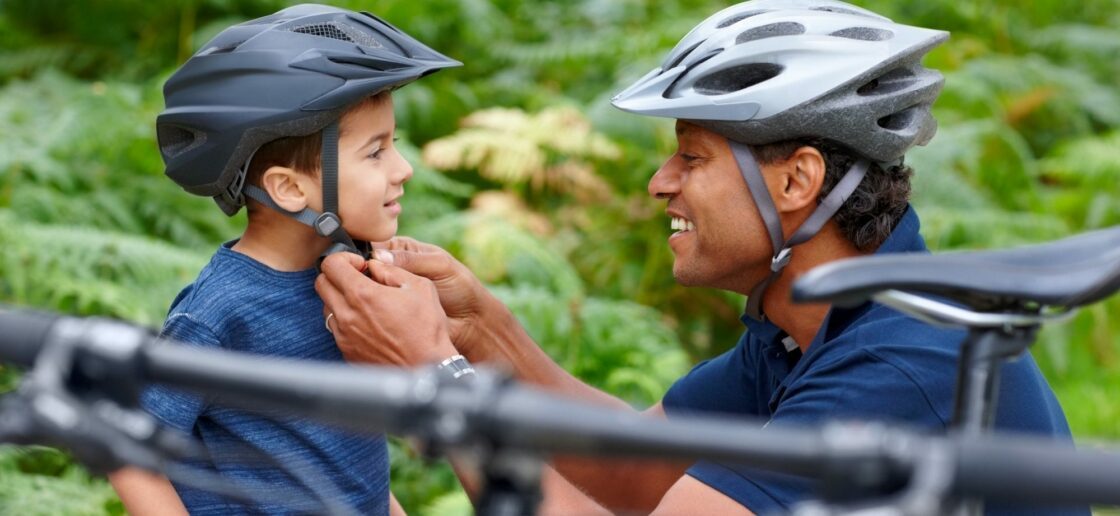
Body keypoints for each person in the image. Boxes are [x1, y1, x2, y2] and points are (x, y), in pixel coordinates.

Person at [317, 1, 1085, 514]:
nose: (661, 184)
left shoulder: (897, 365)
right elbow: (634, 471)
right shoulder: (813, 327)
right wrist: (480, 332)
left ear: (797, 180)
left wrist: (439, 381)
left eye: (692, 157)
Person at [108, 4, 460, 515]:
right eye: (375, 152)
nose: (403, 169)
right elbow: (129, 449)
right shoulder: (219, 313)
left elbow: (341, 456)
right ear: (290, 189)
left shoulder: (351, 286)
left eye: (395, 145)